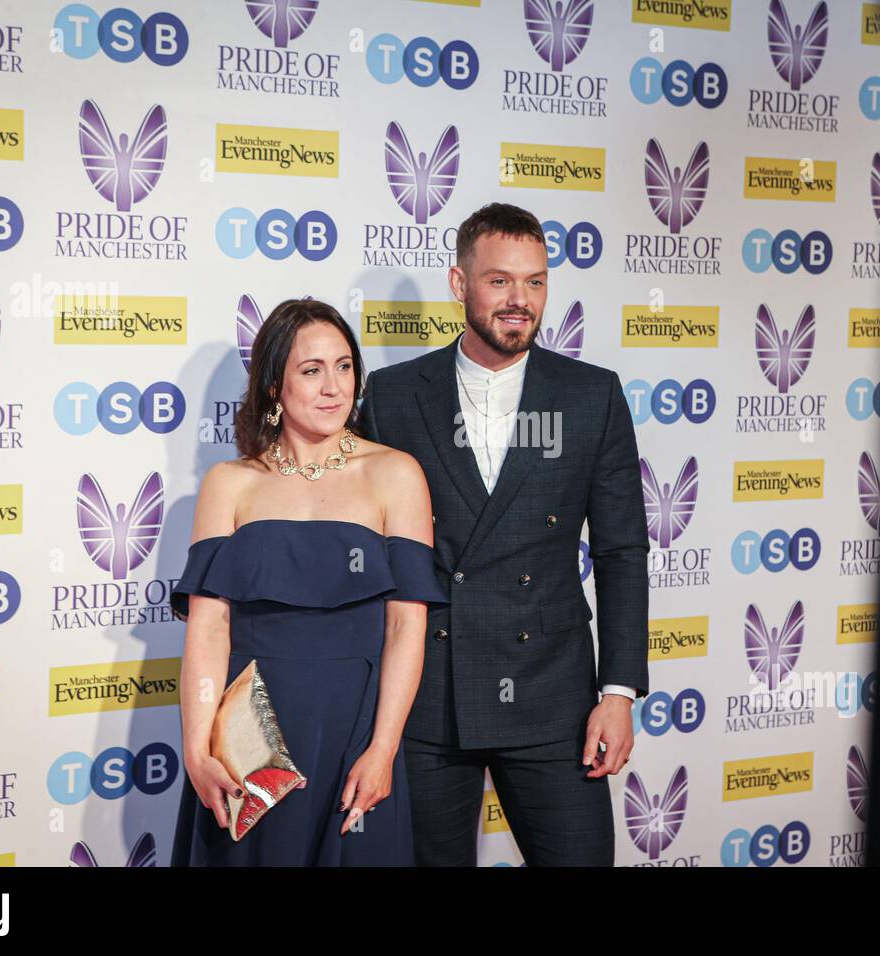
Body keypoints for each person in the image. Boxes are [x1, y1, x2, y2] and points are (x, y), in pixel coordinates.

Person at [358, 203, 650, 866]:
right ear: (460, 284)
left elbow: (622, 552)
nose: (520, 301)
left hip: (554, 699)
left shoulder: (590, 395)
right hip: (431, 698)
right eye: (499, 281)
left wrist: (619, 691)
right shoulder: (395, 395)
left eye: (535, 282)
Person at [169, 298, 446, 865]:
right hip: (247, 739)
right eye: (312, 370)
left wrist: (384, 748)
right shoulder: (229, 484)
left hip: (355, 732)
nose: (334, 387)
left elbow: (405, 628)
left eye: (344, 367)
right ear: (274, 384)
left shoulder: (395, 474)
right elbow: (208, 631)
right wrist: (198, 750)